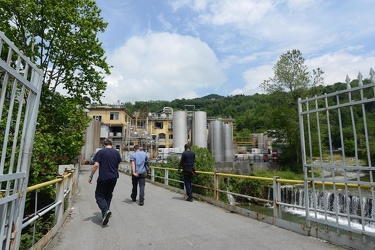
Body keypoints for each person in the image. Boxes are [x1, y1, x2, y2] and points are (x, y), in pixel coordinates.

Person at [88, 139, 122, 226]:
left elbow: (96, 165)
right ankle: (105, 215)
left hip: (103, 177)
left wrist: (91, 176)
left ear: (104, 145)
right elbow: (118, 164)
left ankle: (105, 210)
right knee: (108, 194)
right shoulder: (116, 152)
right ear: (112, 145)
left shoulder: (101, 152)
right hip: (114, 177)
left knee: (99, 196)